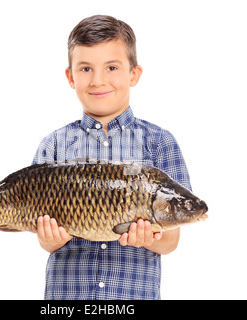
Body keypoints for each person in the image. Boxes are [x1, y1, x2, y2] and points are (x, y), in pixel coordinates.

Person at [32, 15, 204, 300]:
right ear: (70, 77)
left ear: (133, 74)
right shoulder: (53, 145)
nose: (98, 80)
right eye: (86, 68)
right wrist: (49, 240)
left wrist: (152, 238)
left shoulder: (161, 143)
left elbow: (171, 240)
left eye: (111, 67)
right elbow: (44, 240)